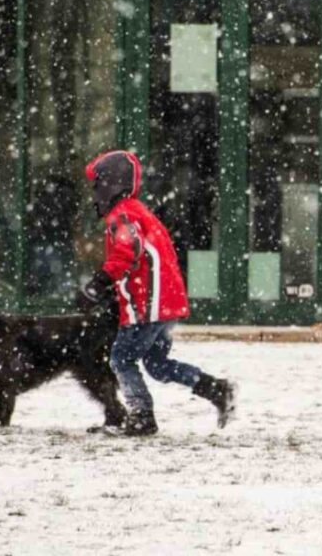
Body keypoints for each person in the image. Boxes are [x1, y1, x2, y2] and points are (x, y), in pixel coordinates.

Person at [78, 150, 236, 436]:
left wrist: (101, 280)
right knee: (158, 365)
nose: (94, 189)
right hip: (166, 301)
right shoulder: (137, 210)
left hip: (148, 302)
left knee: (120, 359)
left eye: (98, 182)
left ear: (112, 182)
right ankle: (216, 388)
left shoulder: (122, 214)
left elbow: (130, 250)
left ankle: (141, 415)